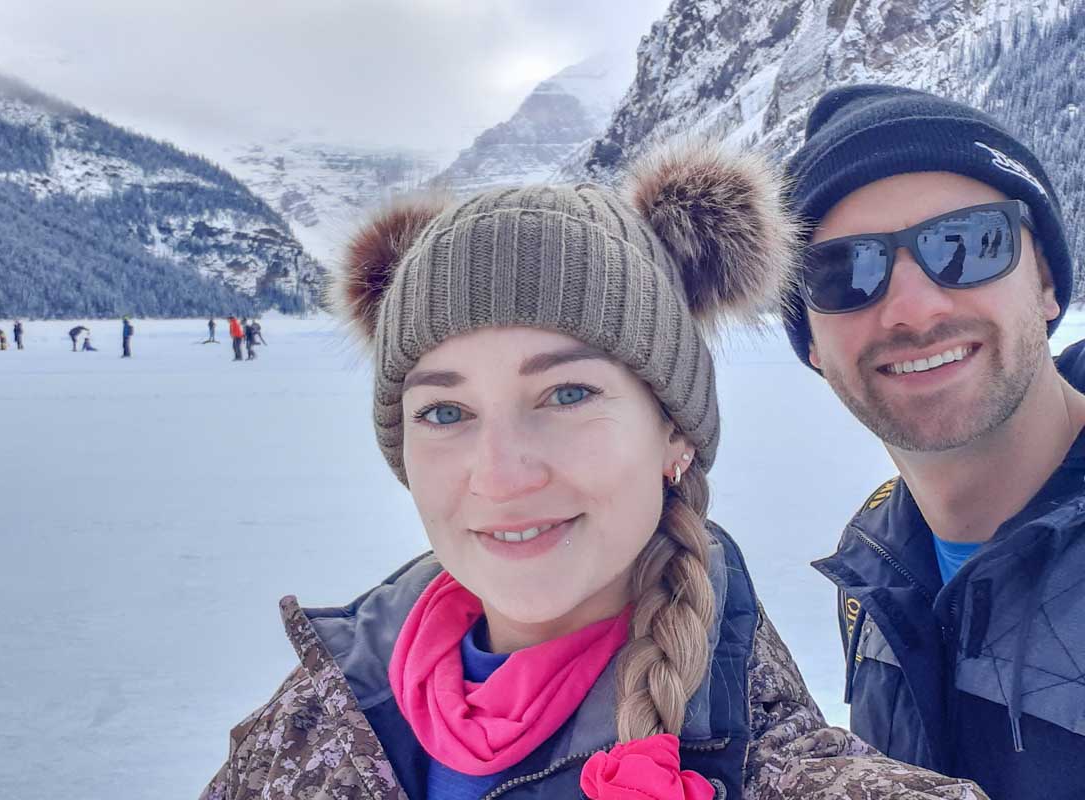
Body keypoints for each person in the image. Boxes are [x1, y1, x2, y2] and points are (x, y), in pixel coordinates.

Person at [200, 144, 986, 800]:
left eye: (567, 394)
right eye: (445, 412)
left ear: (673, 433)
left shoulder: (765, 764)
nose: (499, 475)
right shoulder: (315, 722)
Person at [782, 85, 1083, 799]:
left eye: (970, 244)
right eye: (845, 272)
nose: (914, 310)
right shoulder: (879, 565)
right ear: (813, 343)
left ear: (1045, 283)